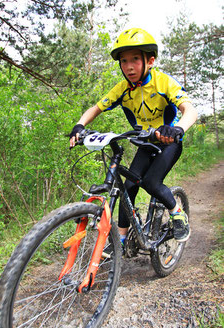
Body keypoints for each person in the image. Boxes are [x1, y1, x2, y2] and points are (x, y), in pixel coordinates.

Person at [69, 27, 198, 245]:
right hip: (145, 143)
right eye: (124, 61)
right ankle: (120, 240)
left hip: (168, 142)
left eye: (135, 59)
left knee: (151, 183)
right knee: (127, 187)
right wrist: (79, 125)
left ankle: (177, 213)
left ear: (150, 60)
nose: (128, 67)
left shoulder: (163, 82)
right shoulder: (122, 88)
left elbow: (190, 110)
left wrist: (177, 129)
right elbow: (96, 108)